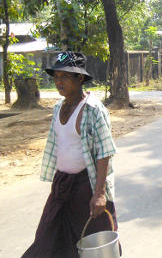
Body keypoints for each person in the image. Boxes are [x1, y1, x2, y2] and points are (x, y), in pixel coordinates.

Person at [23, 51, 119, 258]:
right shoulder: (59, 106)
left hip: (88, 186)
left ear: (80, 78)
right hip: (63, 185)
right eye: (56, 77)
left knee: (95, 244)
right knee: (48, 237)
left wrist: (100, 194)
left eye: (64, 77)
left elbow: (104, 152)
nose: (58, 82)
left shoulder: (93, 110)